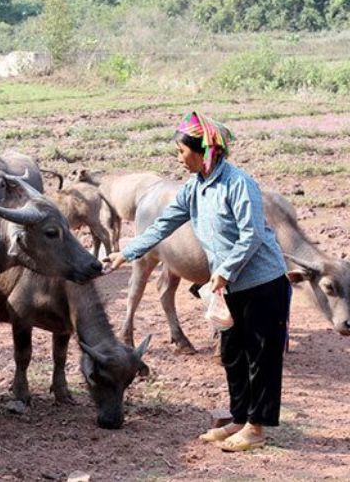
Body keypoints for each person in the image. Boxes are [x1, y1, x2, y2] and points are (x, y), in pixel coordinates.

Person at [104, 112, 291, 452]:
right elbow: (162, 225)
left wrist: (224, 271)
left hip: (263, 283)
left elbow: (250, 236)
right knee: (232, 352)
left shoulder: (238, 183)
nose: (178, 159)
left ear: (205, 152)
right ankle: (238, 416)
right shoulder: (195, 187)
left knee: (260, 355)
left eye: (181, 151)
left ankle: (256, 428)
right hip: (229, 285)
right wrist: (126, 253)